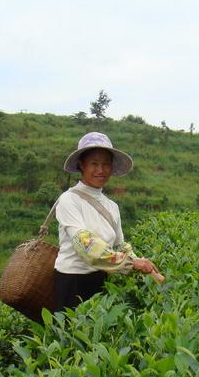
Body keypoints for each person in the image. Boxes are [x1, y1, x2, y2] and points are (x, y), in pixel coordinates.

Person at [54, 131, 164, 312]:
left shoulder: (111, 206)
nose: (101, 170)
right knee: (72, 336)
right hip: (72, 282)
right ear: (82, 165)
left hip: (101, 278)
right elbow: (86, 246)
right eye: (94, 164)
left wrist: (146, 268)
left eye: (106, 164)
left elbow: (120, 245)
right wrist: (131, 264)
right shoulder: (69, 200)